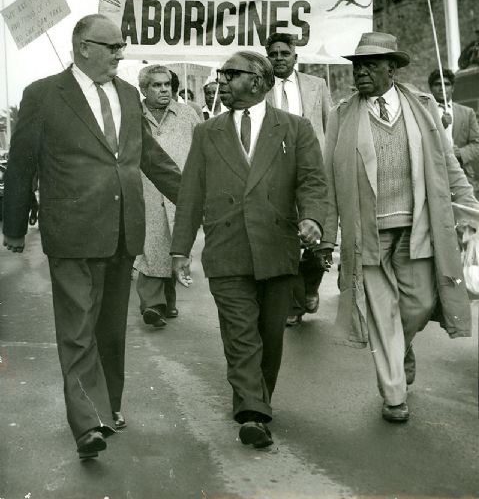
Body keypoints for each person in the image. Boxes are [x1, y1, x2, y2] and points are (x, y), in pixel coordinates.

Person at [2, 14, 181, 459]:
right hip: (71, 232)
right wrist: (14, 227)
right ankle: (88, 423)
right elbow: (22, 164)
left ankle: (109, 407)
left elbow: (151, 160)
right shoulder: (43, 95)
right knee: (78, 329)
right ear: (83, 46)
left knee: (110, 330)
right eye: (112, 46)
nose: (120, 54)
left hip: (123, 233)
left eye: (121, 47)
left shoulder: (126, 94)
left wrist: (199, 199)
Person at [171, 51, 328, 448]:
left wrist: (312, 219)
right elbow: (190, 193)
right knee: (241, 335)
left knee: (269, 337)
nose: (221, 81)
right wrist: (179, 250)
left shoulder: (295, 128)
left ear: (258, 82)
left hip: (277, 249)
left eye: (231, 74)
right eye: (221, 75)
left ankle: (258, 398)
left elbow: (312, 182)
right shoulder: (207, 133)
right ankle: (253, 411)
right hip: (227, 249)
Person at [318, 32, 478, 423]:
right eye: (357, 67)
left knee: (419, 304)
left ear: (392, 68)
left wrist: (471, 211)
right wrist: (325, 234)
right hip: (367, 232)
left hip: (417, 228)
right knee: (379, 311)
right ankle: (393, 396)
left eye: (371, 66)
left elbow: (447, 165)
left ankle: (401, 347)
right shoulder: (342, 114)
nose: (361, 74)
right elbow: (327, 179)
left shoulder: (421, 107)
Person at [265, 32, 332, 326]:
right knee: (286, 237)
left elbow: (330, 127)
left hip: (310, 168)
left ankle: (310, 288)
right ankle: (294, 302)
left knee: (318, 233)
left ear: (295, 56)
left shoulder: (317, 85)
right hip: (273, 172)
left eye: (284, 53)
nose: (279, 58)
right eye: (273, 54)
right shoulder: (260, 87)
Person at [134, 66, 201, 327]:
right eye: (156, 85)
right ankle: (152, 304)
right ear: (143, 89)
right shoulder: (133, 115)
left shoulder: (187, 115)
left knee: (174, 244)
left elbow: (203, 148)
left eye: (166, 85)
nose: (164, 90)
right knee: (151, 246)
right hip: (145, 191)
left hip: (180, 191)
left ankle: (167, 301)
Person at [428, 67, 479, 198]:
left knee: (466, 213)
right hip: (434, 174)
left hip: (462, 173)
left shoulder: (467, 113)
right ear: (431, 88)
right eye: (437, 84)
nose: (442, 88)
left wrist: (460, 153)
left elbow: (476, 144)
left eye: (447, 84)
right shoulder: (424, 112)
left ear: (453, 88)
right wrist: (440, 124)